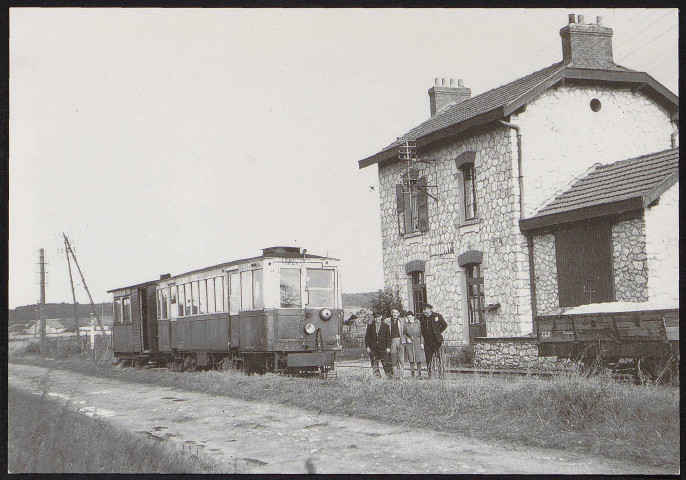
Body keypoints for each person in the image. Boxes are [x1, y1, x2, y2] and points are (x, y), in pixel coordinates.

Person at [419, 304, 447, 378]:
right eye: (423, 310)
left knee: (439, 357)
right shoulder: (421, 318)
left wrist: (438, 332)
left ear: (430, 309)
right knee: (428, 358)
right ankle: (430, 374)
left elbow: (444, 325)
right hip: (427, 341)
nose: (424, 311)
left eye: (425, 310)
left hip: (437, 340)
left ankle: (441, 374)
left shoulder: (437, 316)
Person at [365, 312, 393, 378]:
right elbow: (367, 337)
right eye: (375, 317)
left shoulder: (385, 326)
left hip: (383, 347)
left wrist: (388, 347)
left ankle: (389, 376)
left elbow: (388, 338)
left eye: (378, 317)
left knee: (386, 362)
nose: (377, 319)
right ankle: (377, 376)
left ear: (381, 317)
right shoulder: (370, 326)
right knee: (374, 362)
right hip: (373, 347)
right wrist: (368, 347)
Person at [403, 311, 425, 378]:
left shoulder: (418, 323)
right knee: (411, 358)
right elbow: (404, 333)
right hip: (410, 343)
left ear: (413, 317)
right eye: (408, 318)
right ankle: (412, 374)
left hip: (417, 342)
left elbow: (422, 334)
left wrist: (422, 343)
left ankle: (419, 373)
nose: (409, 319)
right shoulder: (406, 324)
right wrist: (407, 338)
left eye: (410, 317)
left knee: (418, 358)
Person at [387, 308, 407, 378]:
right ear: (391, 314)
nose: (395, 314)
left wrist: (404, 339)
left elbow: (405, 331)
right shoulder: (387, 321)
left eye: (396, 313)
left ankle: (401, 375)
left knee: (401, 358)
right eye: (393, 313)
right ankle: (395, 374)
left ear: (399, 314)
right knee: (393, 358)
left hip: (400, 340)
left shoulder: (402, 320)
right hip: (392, 340)